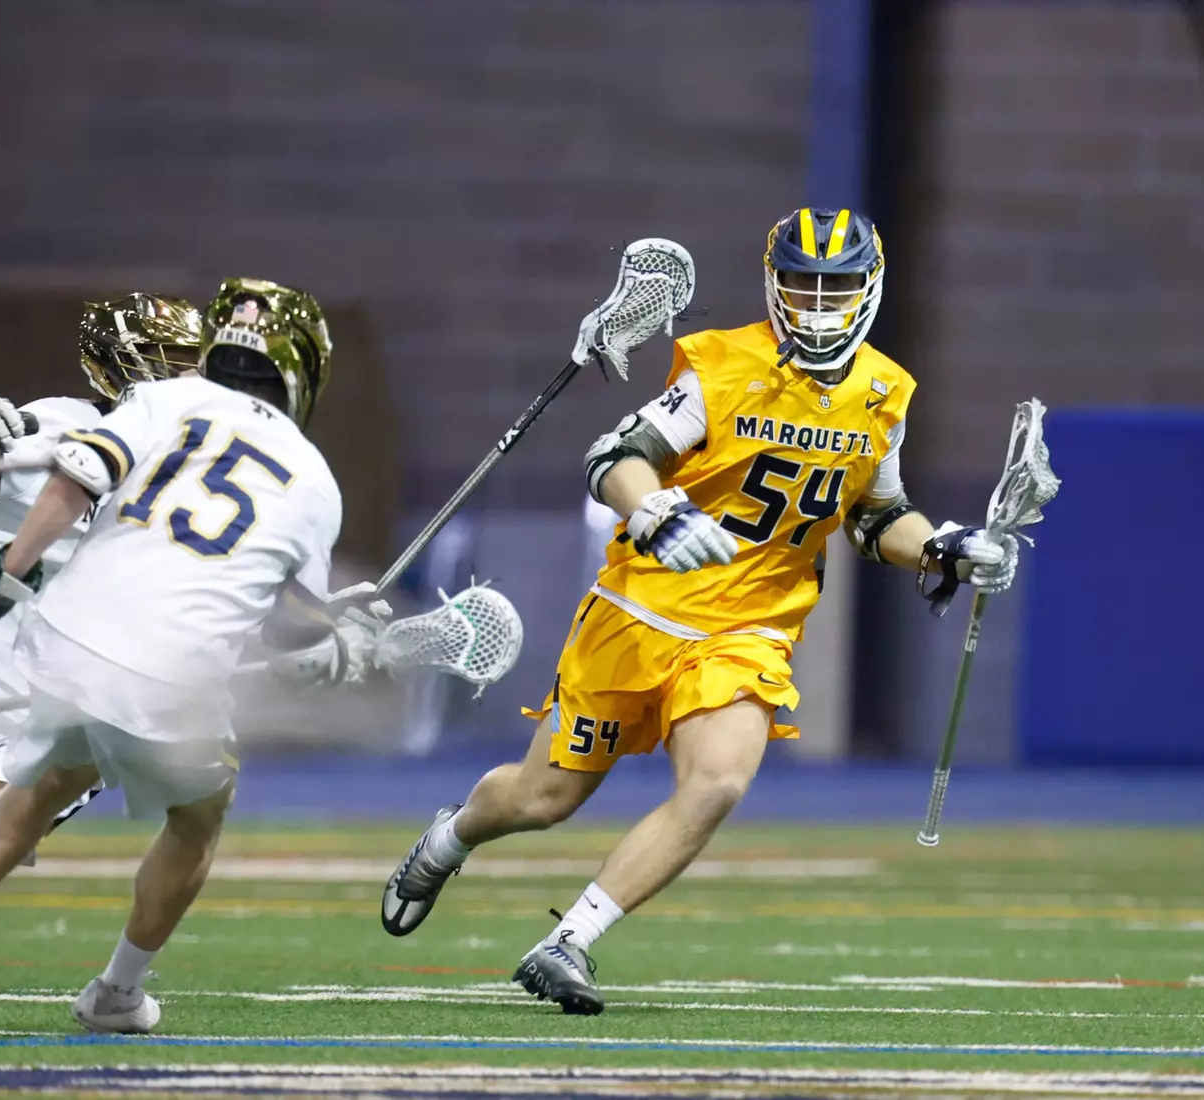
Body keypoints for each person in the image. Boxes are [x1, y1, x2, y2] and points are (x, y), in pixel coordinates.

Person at [380, 208, 1017, 1015]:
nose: (819, 306)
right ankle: (450, 838)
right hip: (641, 610)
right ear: (772, 284)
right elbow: (614, 457)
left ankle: (568, 941)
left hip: (749, 628)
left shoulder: (884, 392)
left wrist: (942, 549)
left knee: (717, 781)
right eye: (802, 286)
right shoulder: (720, 366)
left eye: (837, 288)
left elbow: (875, 515)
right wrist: (656, 514)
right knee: (540, 800)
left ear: (870, 289)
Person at [0, 278, 363, 1034]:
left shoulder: (163, 413)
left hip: (60, 657)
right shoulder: (76, 422)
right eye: (168, 357)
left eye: (189, 356)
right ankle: (114, 990)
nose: (182, 370)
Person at [0, 295, 201, 930]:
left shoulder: (208, 466)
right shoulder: (57, 424)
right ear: (119, 366)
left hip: (74, 708)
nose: (192, 377)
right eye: (174, 360)